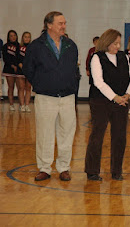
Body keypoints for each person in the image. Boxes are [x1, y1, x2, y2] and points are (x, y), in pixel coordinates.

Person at [24, 11, 79, 181]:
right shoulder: (36, 46)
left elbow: (74, 69)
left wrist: (71, 84)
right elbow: (28, 70)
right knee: (44, 133)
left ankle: (64, 167)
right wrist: (42, 84)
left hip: (67, 97)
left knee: (67, 134)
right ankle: (45, 168)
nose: (64, 26)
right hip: (45, 97)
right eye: (60, 23)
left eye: (64, 23)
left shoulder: (71, 45)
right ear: (49, 25)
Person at [85, 29, 130, 181]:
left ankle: (116, 171)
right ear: (107, 43)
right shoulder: (96, 57)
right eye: (115, 43)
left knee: (120, 136)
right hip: (100, 101)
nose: (118, 46)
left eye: (119, 43)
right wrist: (115, 97)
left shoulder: (123, 56)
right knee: (97, 135)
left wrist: (127, 94)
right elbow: (98, 82)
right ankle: (92, 171)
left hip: (121, 101)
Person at [2, 30, 24, 111]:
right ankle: (11, 104)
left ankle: (20, 104)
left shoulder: (19, 46)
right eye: (11, 36)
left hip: (18, 70)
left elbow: (19, 58)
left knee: (20, 88)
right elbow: (5, 58)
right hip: (9, 69)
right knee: (11, 87)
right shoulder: (5, 46)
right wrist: (12, 65)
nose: (13, 37)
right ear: (8, 37)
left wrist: (17, 65)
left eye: (14, 35)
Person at [17, 31, 32, 112]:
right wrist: (21, 66)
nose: (27, 38)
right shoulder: (19, 47)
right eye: (25, 37)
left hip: (29, 70)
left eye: (28, 37)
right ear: (22, 38)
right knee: (21, 88)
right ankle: (22, 105)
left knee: (28, 88)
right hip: (21, 70)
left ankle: (27, 105)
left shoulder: (32, 47)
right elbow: (17, 58)